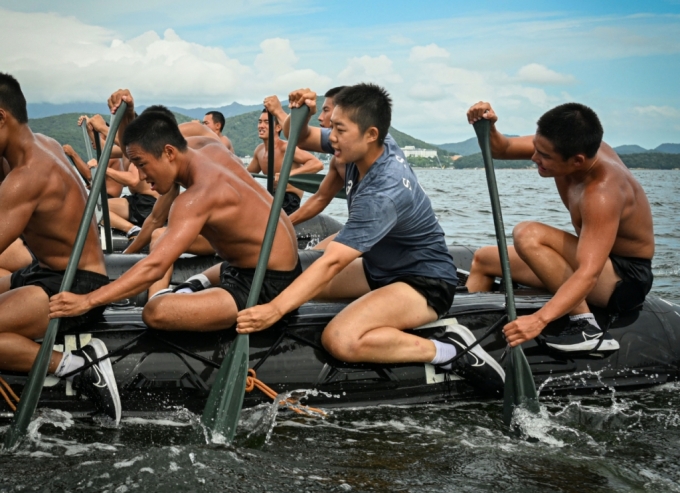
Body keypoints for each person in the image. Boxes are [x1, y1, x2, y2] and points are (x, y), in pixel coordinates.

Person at [236, 84, 505, 393]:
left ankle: (450, 350)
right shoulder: (364, 145)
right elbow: (305, 136)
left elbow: (334, 262)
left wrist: (275, 310)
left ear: (371, 134)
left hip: (423, 281)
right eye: (332, 126)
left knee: (340, 339)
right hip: (379, 269)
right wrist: (301, 114)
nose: (332, 136)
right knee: (288, 281)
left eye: (340, 129)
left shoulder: (384, 190)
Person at [49, 92, 301, 338]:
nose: (141, 176)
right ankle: (192, 287)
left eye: (142, 166)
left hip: (266, 285)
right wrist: (130, 116)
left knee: (155, 312)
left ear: (169, 153)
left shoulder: (197, 197)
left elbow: (155, 267)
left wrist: (87, 301)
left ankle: (181, 294)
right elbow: (142, 145)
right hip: (249, 265)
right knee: (182, 253)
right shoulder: (205, 143)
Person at [465, 101, 654, 352]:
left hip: (623, 279)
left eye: (544, 157)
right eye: (536, 149)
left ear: (577, 161)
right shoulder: (566, 144)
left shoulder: (602, 193)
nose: (534, 158)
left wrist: (539, 319)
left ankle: (586, 328)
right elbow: (502, 148)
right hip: (596, 262)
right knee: (484, 259)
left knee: (528, 234)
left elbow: (589, 273)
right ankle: (467, 339)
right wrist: (488, 126)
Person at [0, 73, 119, 423]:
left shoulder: (28, 176)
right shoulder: (42, 142)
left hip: (76, 284)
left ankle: (80, 366)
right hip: (49, 271)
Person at [246, 109, 323, 215]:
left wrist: (287, 174)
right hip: (271, 195)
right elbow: (246, 175)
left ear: (278, 127)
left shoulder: (286, 148)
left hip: (288, 199)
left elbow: (317, 164)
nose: (261, 126)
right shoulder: (259, 150)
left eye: (266, 122)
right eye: (260, 122)